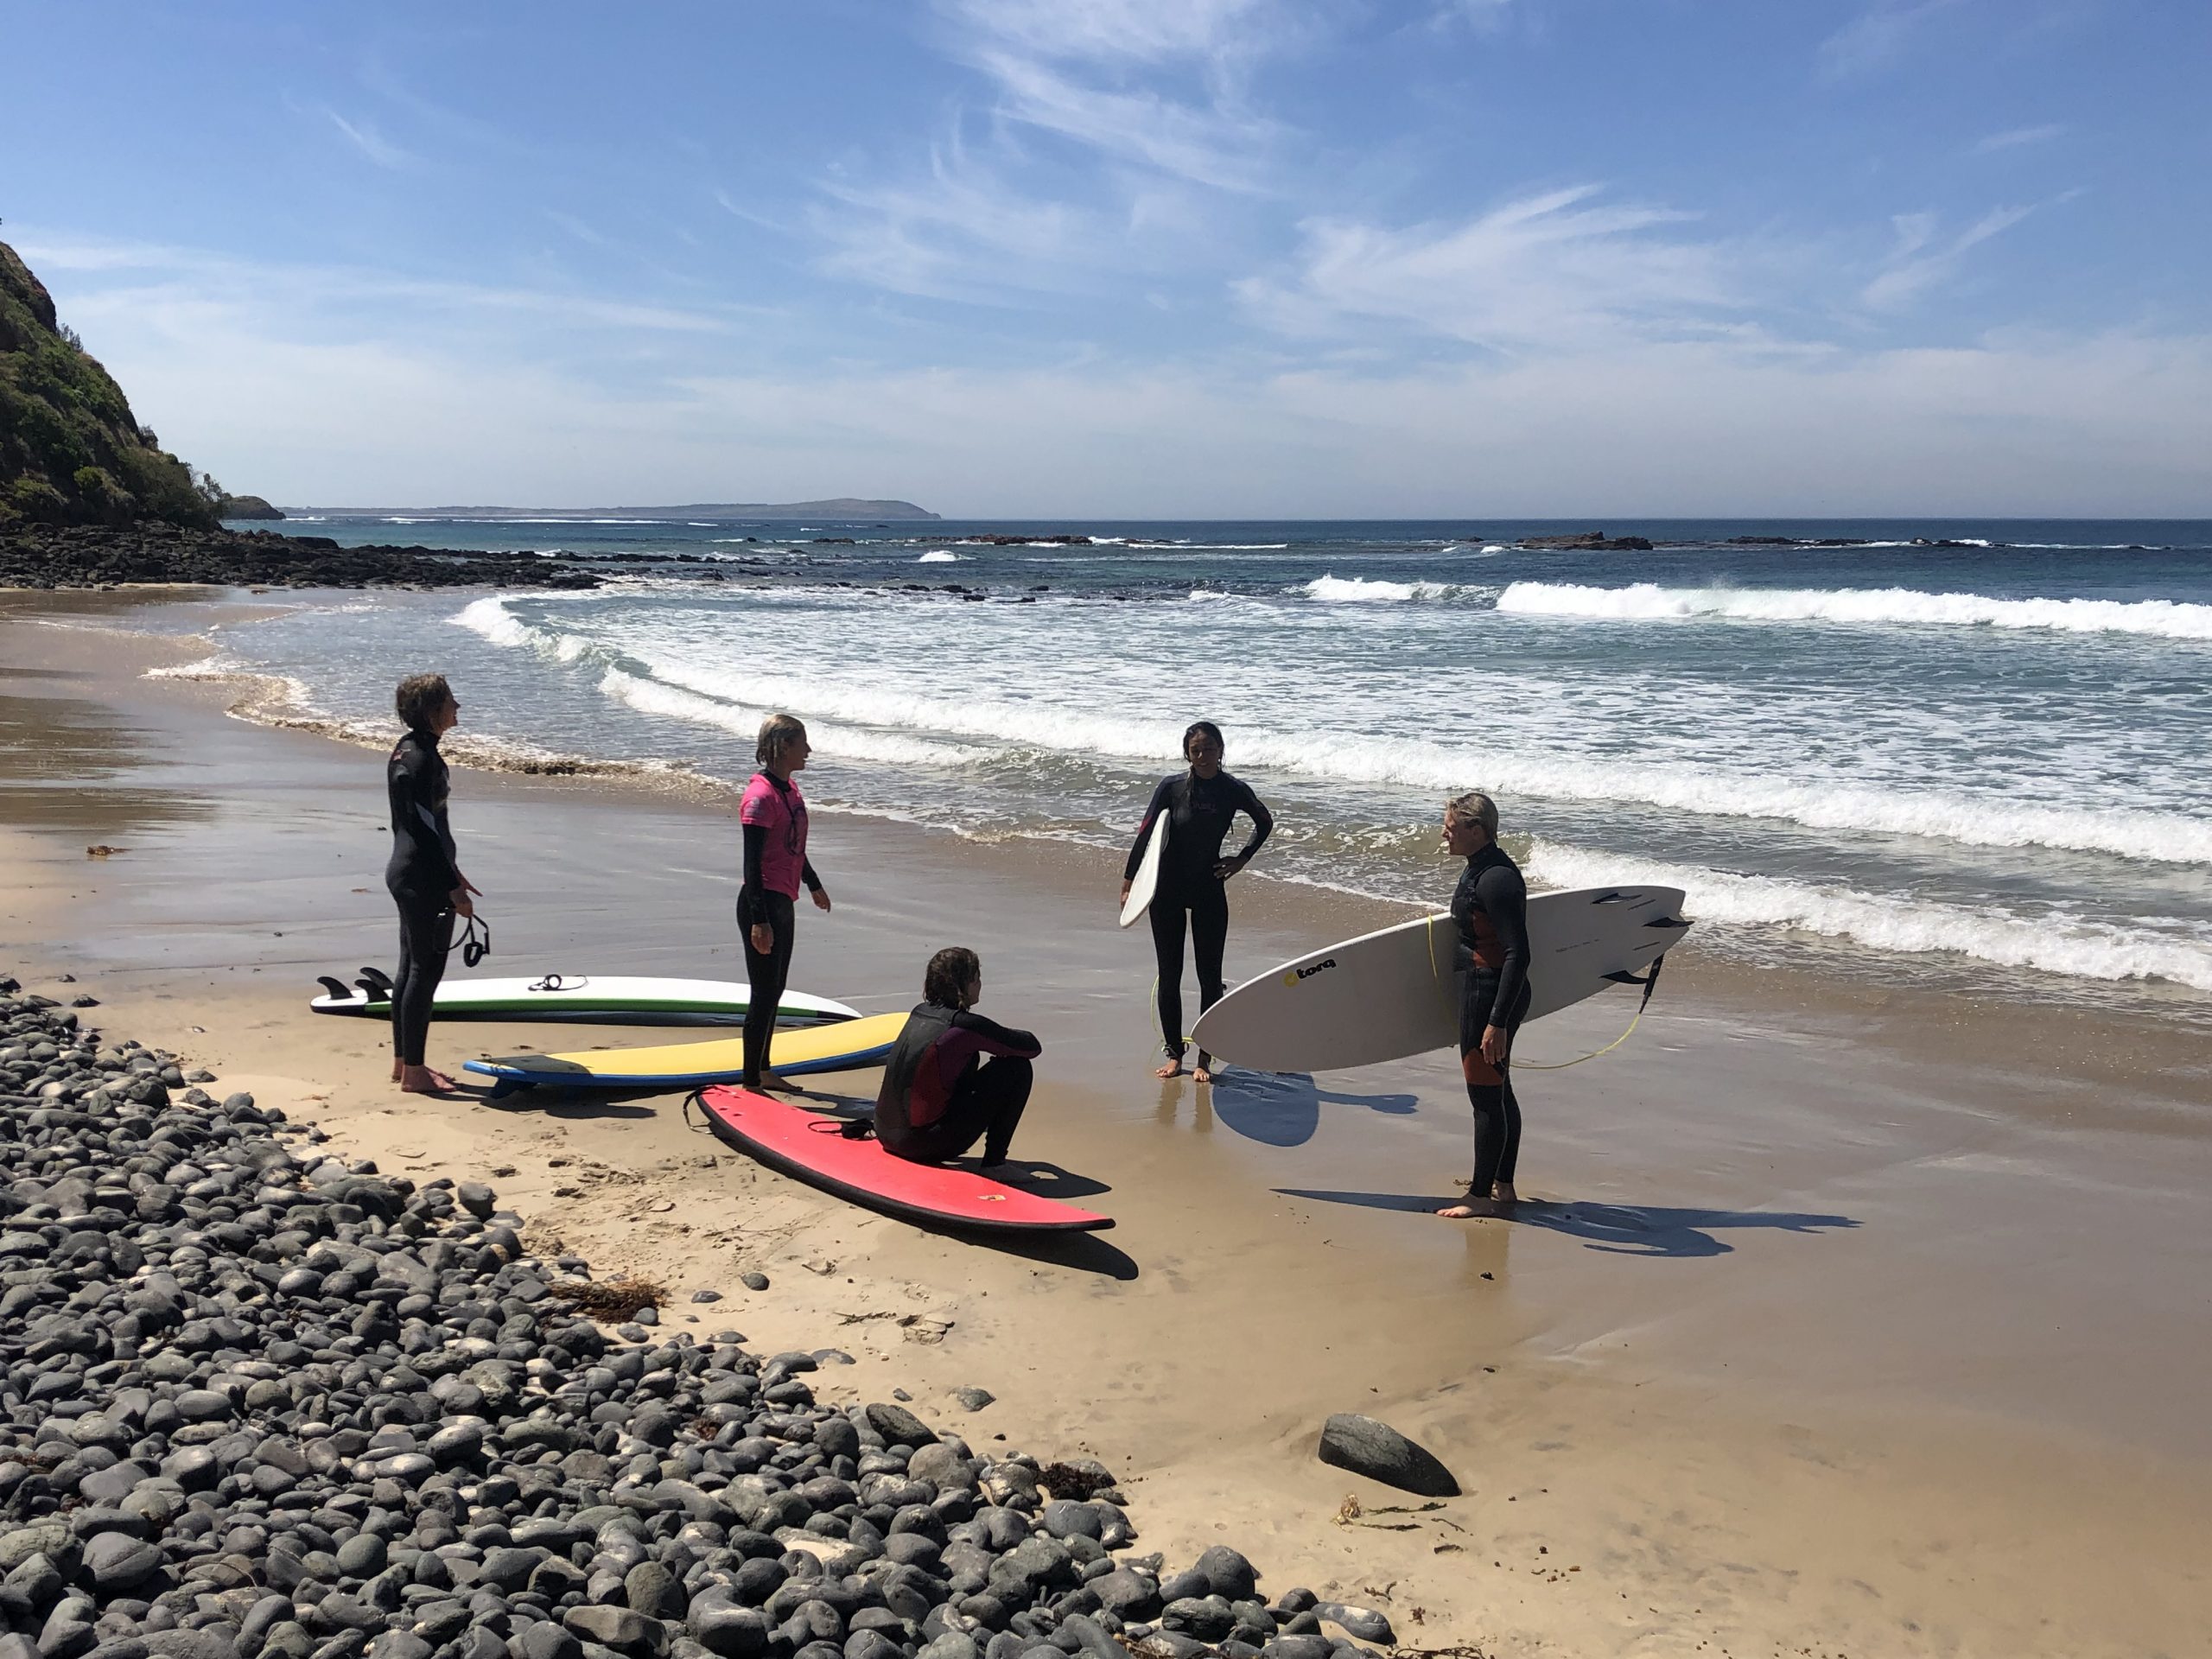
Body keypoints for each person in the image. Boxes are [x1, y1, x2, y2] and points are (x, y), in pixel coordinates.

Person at [1121, 721, 1273, 1084]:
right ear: (1186, 754)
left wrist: (1242, 858)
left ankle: (1206, 1056)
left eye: (1209, 749)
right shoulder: (1171, 788)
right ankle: (1175, 1053)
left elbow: (1264, 822)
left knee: (1209, 977)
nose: (1203, 756)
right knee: (1170, 974)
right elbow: (1146, 834)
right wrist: (1129, 884)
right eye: (1195, 751)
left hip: (1208, 888)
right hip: (1167, 889)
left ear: (1221, 749)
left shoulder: (1232, 789)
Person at [1435, 790, 1531, 1219]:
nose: (1444, 834)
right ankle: (1503, 1184)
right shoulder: (1481, 868)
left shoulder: (1496, 878)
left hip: (1490, 993)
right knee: (1499, 1090)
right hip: (1485, 989)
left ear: (1477, 831)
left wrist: (1497, 1022)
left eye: (1452, 828)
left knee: (1485, 1097)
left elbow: (1518, 954)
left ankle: (1479, 1196)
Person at [384, 673, 480, 1095]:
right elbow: (424, 831)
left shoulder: (407, 751)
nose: (457, 707)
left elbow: (417, 825)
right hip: (422, 876)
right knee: (425, 972)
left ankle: (404, 1062)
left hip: (410, 871)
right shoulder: (422, 759)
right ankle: (417, 1073)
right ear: (432, 710)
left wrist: (454, 873)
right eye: (451, 701)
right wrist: (450, 886)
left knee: (410, 967)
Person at [875, 947, 1039, 1167]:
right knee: (1017, 1068)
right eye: (976, 977)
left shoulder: (919, 1012)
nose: (980, 984)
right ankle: (995, 1164)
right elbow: (1030, 1047)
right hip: (921, 1144)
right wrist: (995, 1036)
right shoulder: (964, 1026)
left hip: (886, 1133)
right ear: (963, 984)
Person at [737, 713, 832, 1090]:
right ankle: (751, 1079)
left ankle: (763, 1070)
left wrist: (813, 884)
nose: (808, 750)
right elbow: (752, 863)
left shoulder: (789, 791)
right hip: (760, 904)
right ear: (783, 747)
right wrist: (760, 921)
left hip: (782, 900)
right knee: (762, 993)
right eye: (802, 743)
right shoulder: (760, 797)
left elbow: (792, 847)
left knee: (775, 988)